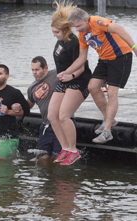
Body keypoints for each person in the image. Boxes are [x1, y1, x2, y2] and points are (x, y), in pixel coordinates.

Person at [61, 7, 136, 144]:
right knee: (93, 87)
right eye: (74, 27)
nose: (77, 29)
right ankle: (109, 119)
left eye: (78, 26)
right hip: (104, 60)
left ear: (85, 20)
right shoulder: (82, 34)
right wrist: (67, 72)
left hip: (120, 58)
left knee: (112, 92)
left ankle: (107, 132)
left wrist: (134, 48)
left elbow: (119, 29)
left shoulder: (97, 22)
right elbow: (82, 58)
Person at [47, 1, 92, 165]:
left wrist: (70, 76)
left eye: (56, 32)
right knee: (52, 115)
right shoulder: (60, 41)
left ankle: (73, 150)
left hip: (79, 80)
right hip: (65, 80)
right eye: (53, 32)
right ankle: (65, 148)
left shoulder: (74, 42)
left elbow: (81, 66)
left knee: (64, 115)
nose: (54, 35)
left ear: (65, 30)